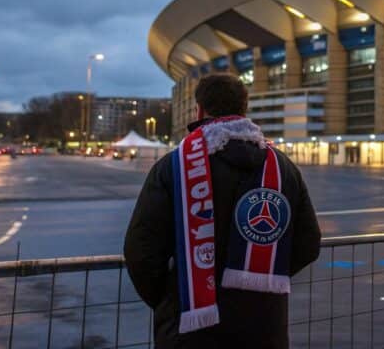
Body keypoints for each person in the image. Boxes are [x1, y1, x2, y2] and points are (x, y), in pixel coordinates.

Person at [124, 73, 321, 348]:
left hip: (191, 327)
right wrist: (264, 274)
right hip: (264, 326)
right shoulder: (283, 168)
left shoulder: (174, 166)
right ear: (243, 109)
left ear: (200, 110)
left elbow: (141, 250)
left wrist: (171, 297)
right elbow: (309, 244)